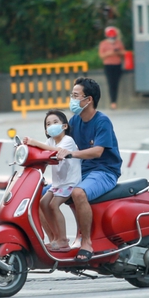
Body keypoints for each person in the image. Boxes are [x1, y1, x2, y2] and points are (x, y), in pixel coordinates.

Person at [57, 77, 122, 262]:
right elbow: (60, 143)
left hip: (105, 171)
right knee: (44, 193)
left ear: (88, 100)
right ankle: (58, 240)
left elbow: (97, 152)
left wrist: (70, 154)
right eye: (72, 95)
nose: (72, 99)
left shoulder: (102, 121)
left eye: (75, 95)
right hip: (82, 171)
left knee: (78, 193)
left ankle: (86, 242)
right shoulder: (74, 121)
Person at [23, 110, 82, 252]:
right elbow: (42, 152)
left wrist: (35, 142)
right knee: (43, 203)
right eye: (48, 124)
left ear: (64, 126)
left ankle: (62, 240)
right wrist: (28, 146)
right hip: (57, 184)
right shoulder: (49, 141)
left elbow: (54, 151)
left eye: (55, 122)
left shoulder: (68, 141)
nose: (52, 126)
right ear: (46, 130)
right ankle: (55, 237)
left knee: (54, 205)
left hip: (70, 182)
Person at [98, 26, 126, 110]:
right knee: (111, 83)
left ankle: (115, 101)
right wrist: (110, 53)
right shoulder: (103, 43)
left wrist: (118, 52)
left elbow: (124, 53)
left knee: (116, 83)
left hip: (117, 65)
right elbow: (101, 55)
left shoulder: (118, 42)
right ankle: (113, 102)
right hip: (108, 65)